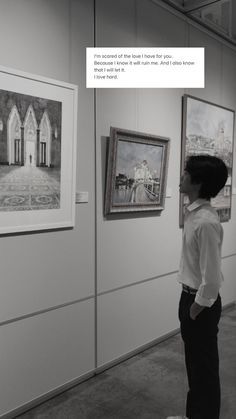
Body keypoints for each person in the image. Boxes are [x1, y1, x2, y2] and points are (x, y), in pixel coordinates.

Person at [167, 155, 228, 419]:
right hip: (189, 299)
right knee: (195, 367)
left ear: (198, 182)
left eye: (186, 174)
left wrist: (195, 308)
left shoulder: (205, 222)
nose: (182, 178)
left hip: (200, 305)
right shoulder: (194, 214)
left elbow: (211, 278)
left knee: (204, 370)